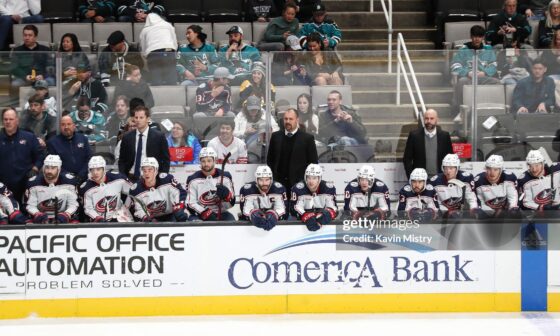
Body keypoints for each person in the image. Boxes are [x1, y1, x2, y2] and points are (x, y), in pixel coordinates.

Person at [267, 108, 318, 191]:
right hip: (279, 184)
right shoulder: (275, 136)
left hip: (299, 184)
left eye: (291, 119)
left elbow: (313, 162)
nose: (287, 121)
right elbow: (270, 160)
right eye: (285, 119)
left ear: (297, 120)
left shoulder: (307, 138)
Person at [450, 25, 499, 107]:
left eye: (480, 37)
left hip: (484, 77)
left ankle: (492, 107)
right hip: (468, 78)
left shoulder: (488, 49)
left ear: (483, 37)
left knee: (498, 83)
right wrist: (467, 73)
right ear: (471, 36)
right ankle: (459, 109)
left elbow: (494, 65)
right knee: (462, 81)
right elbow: (455, 65)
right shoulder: (463, 50)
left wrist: (484, 73)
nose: (477, 39)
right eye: (475, 36)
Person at [0, 107, 42, 203]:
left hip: (24, 183)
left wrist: (35, 168)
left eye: (11, 119)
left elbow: (40, 155)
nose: (8, 122)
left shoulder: (29, 137)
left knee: (24, 213)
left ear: (17, 121)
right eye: (5, 119)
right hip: (3, 185)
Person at [128, 157, 189, 222]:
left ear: (156, 171)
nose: (146, 173)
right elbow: (138, 209)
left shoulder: (167, 180)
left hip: (170, 215)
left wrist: (178, 207)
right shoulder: (135, 190)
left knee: (180, 216)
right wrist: (145, 217)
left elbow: (179, 192)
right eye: (144, 170)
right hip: (152, 219)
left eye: (150, 170)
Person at [118, 106, 169, 181]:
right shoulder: (127, 137)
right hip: (130, 177)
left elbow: (165, 159)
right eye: (136, 117)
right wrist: (123, 175)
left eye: (141, 117)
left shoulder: (159, 136)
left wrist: (162, 176)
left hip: (152, 178)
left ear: (148, 119)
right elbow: (122, 159)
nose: (138, 120)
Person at [24, 154, 79, 224]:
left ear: (59, 169)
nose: (49, 171)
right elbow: (30, 205)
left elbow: (73, 204)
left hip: (63, 217)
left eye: (53, 168)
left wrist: (66, 214)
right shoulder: (33, 183)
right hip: (41, 218)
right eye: (47, 167)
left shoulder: (69, 182)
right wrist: (37, 214)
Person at [186, 147, 236, 221]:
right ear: (200, 162)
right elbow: (190, 203)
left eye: (209, 161)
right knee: (194, 224)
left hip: (221, 213)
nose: (206, 164)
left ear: (214, 161)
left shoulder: (225, 176)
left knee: (231, 222)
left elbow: (231, 204)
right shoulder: (193, 179)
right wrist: (204, 212)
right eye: (203, 161)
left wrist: (227, 196)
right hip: (200, 213)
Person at [403, 108, 454, 178]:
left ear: (437, 120)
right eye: (426, 118)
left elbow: (450, 158)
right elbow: (407, 159)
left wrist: (448, 176)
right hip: (420, 179)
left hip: (440, 178)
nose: (429, 121)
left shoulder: (445, 136)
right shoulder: (414, 136)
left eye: (432, 118)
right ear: (423, 119)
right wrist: (411, 177)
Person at [79, 156, 132, 222]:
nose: (95, 173)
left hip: (119, 217)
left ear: (104, 169)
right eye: (92, 169)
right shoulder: (86, 187)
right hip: (98, 220)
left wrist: (126, 208)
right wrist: (98, 218)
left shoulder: (118, 178)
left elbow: (133, 192)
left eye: (98, 169)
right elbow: (88, 209)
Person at [428, 154, 481, 219]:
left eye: (451, 168)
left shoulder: (466, 178)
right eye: (446, 168)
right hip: (442, 215)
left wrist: (473, 209)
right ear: (442, 168)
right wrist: (445, 212)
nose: (448, 171)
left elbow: (472, 198)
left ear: (457, 168)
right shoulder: (435, 181)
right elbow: (433, 202)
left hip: (461, 214)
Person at [291, 164, 337, 231]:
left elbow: (333, 208)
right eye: (309, 177)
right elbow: (294, 208)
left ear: (319, 178)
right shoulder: (298, 188)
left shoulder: (328, 188)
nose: (311, 181)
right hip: (302, 224)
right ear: (305, 177)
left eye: (314, 178)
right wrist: (305, 215)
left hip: (323, 224)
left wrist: (328, 213)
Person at [240, 165, 287, 230]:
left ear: (271, 179)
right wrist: (253, 215)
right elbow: (245, 210)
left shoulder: (279, 189)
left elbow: (282, 209)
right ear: (256, 180)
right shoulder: (247, 190)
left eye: (267, 180)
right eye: (261, 180)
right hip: (252, 227)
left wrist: (274, 215)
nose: (264, 183)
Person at [47, 115, 93, 182]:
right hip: (63, 180)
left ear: (74, 126)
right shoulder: (53, 142)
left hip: (84, 178)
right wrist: (68, 176)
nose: (66, 127)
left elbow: (89, 158)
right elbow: (54, 164)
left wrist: (82, 174)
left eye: (69, 124)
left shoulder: (83, 139)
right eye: (63, 125)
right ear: (60, 127)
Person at [10, 25, 53, 91]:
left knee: (51, 82)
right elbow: (14, 68)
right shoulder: (17, 50)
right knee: (15, 84)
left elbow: (50, 66)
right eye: (25, 35)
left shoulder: (45, 50)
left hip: (42, 77)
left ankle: (47, 101)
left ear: (35, 37)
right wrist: (25, 77)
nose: (27, 38)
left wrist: (43, 76)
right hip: (24, 78)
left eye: (30, 35)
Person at [139, 13, 177, 86]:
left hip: (153, 55)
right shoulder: (168, 25)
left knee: (156, 81)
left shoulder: (145, 30)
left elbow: (143, 46)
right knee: (171, 81)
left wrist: (145, 56)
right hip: (169, 52)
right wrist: (174, 51)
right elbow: (174, 41)